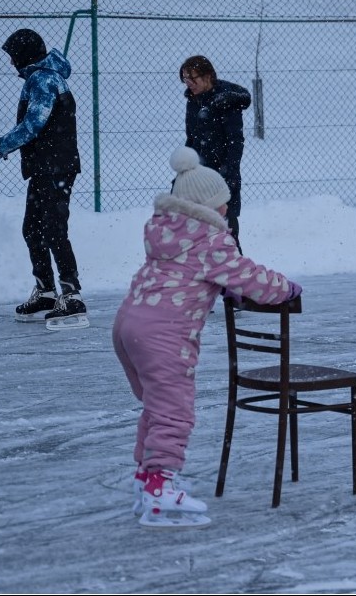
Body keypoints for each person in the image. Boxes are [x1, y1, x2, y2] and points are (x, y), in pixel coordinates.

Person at [112, 146, 302, 529]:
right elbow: (251, 279)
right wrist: (288, 289)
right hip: (164, 334)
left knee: (156, 405)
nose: (226, 212)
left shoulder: (167, 232)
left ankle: (147, 477)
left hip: (128, 325)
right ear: (206, 209)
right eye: (222, 206)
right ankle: (160, 487)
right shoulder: (210, 241)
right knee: (173, 410)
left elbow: (207, 274)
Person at [0, 28, 88, 331]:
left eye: (13, 56)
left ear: (24, 56)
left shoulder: (43, 80)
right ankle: (45, 292)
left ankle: (72, 295)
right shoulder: (40, 77)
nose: (11, 62)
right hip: (46, 167)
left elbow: (33, 124)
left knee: (54, 229)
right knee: (33, 229)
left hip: (56, 167)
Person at [179, 55, 251, 252]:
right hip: (198, 178)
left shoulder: (227, 100)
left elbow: (235, 143)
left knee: (227, 235)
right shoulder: (193, 101)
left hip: (222, 176)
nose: (188, 84)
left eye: (193, 79)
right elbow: (191, 140)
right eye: (185, 79)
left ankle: (237, 278)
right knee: (194, 235)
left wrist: (227, 174)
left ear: (208, 76)